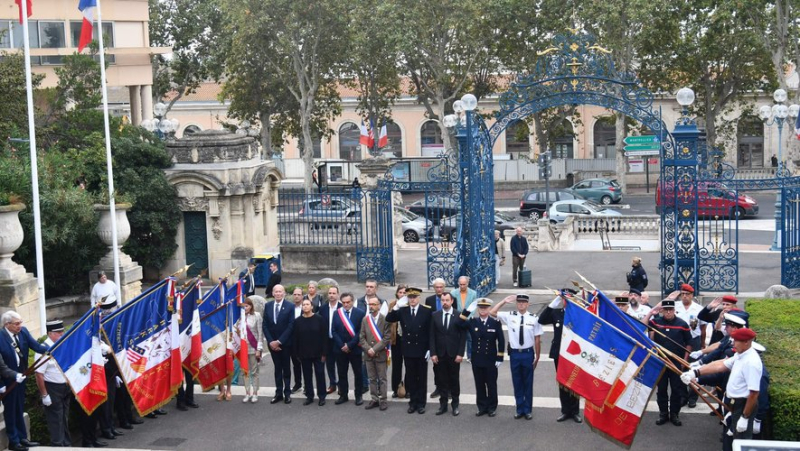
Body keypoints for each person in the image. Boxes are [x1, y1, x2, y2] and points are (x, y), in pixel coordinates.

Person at [681, 327, 762, 451]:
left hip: (742, 405)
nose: (733, 343)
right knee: (729, 439)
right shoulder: (740, 355)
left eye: (736, 341)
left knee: (740, 442)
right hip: (733, 403)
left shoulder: (751, 362)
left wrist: (745, 417)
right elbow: (721, 365)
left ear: (747, 342)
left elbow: (754, 394)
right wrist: (695, 373)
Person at [0, 311, 49, 451]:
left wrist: (52, 349)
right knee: (10, 411)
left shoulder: (24, 332)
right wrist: (1, 385)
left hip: (21, 378)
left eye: (21, 322)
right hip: (8, 381)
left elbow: (37, 347)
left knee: (20, 408)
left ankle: (22, 438)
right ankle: (14, 442)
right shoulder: (0, 337)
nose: (20, 326)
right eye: (16, 323)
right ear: (7, 324)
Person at [489, 294, 543, 420]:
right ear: (516, 304)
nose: (521, 305)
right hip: (515, 354)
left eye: (524, 303)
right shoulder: (510, 316)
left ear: (528, 304)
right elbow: (492, 312)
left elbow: (537, 338)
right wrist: (503, 301)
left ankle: (528, 409)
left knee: (528, 383)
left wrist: (538, 356)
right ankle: (519, 409)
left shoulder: (534, 318)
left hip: (528, 353)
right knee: (517, 382)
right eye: (519, 302)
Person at [643, 299, 692, 426]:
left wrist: (684, 362)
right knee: (662, 389)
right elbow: (645, 330)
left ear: (674, 310)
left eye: (670, 310)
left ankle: (674, 414)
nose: (668, 312)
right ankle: (663, 414)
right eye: (666, 310)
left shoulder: (682, 324)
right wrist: (651, 313)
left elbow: (689, 344)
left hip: (677, 361)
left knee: (676, 389)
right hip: (661, 361)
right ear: (662, 311)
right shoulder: (655, 322)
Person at [386, 287, 433, 414]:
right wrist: (396, 306)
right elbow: (389, 319)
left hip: (422, 349)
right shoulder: (403, 310)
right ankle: (413, 402)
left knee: (422, 378)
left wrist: (430, 349)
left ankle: (421, 403)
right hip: (408, 349)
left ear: (419, 298)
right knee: (411, 377)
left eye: (414, 297)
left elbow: (430, 332)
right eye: (410, 297)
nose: (412, 299)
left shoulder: (426, 311)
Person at [537, 291, 581, 423]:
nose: (566, 301)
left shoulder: (579, 315)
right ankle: (565, 411)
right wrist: (554, 301)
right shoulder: (557, 313)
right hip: (559, 353)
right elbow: (542, 319)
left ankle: (575, 411)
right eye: (564, 298)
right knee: (562, 382)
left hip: (574, 353)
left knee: (573, 382)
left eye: (569, 298)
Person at [457, 298, 504, 417]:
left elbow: (501, 341)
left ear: (489, 309)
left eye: (485, 308)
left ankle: (492, 407)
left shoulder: (495, 323)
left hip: (491, 359)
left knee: (491, 384)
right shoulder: (472, 321)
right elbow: (458, 324)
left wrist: (500, 357)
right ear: (478, 309)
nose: (483, 310)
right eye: (481, 308)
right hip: (477, 358)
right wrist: (467, 311)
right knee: (479, 384)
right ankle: (482, 407)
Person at [34, 320, 70, 447]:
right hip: (52, 388)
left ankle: (66, 444)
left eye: (62, 331)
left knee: (64, 418)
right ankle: (58, 446)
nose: (62, 334)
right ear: (50, 333)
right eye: (58, 332)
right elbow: (39, 374)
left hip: (64, 386)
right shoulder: (43, 349)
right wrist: (44, 395)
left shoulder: (61, 345)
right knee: (56, 420)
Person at [429, 292, 466, 416]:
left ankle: (455, 405)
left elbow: (463, 336)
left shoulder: (458, 315)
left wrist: (460, 353)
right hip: (439, 354)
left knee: (454, 380)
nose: (444, 302)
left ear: (452, 301)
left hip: (454, 354)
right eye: (442, 300)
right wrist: (433, 353)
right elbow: (432, 335)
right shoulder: (435, 315)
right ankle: (443, 405)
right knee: (441, 380)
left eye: (447, 300)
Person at [262, 284, 295, 404]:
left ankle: (287, 393)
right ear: (273, 293)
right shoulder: (268, 305)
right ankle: (278, 393)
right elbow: (265, 325)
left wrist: (279, 341)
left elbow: (291, 325)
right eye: (276, 291)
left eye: (280, 291)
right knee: (277, 369)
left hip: (285, 344)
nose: (278, 293)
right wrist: (271, 341)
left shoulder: (290, 306)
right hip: (272, 344)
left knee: (286, 368)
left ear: (284, 293)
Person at [293, 299, 329, 406]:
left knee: (320, 375)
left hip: (318, 353)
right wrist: (297, 354)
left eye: (307, 304)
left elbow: (324, 337)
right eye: (303, 305)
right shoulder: (297, 321)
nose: (305, 306)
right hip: (304, 353)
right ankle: (309, 396)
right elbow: (295, 338)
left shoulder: (319, 319)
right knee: (307, 376)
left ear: (312, 306)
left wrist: (324, 353)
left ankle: (322, 396)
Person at [332, 292, 365, 406]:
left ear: (352, 301)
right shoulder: (337, 313)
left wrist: (349, 345)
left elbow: (360, 332)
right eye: (344, 302)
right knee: (342, 373)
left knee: (358, 373)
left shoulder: (360, 313)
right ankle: (343, 395)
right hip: (340, 349)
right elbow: (334, 331)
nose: (346, 305)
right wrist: (342, 345)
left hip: (354, 349)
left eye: (348, 302)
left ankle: (358, 395)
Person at [359, 296, 392, 410]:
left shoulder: (385, 319)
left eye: (373, 304)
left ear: (378, 305)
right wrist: (369, 349)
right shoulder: (365, 320)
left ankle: (383, 400)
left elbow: (387, 338)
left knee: (382, 379)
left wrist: (375, 349)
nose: (371, 307)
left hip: (380, 354)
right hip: (368, 354)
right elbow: (361, 337)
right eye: (370, 305)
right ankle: (374, 399)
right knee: (371, 378)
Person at [318, 286, 342, 395]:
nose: (331, 295)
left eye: (334, 293)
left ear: (338, 294)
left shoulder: (342, 307)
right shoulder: (323, 309)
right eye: (330, 293)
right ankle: (333, 384)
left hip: (339, 341)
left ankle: (341, 385)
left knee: (341, 364)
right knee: (330, 364)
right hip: (327, 341)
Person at [241, 298, 264, 403]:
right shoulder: (239, 318)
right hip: (243, 349)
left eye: (247, 306)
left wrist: (259, 349)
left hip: (253, 348)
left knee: (254, 372)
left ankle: (255, 393)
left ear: (251, 306)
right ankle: (247, 393)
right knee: (245, 372)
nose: (245, 308)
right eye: (243, 306)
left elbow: (260, 334)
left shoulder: (257, 316)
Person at [389, 285, 407, 399]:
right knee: (396, 366)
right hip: (396, 339)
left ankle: (407, 388)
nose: (403, 294)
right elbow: (388, 320)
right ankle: (395, 388)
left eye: (405, 292)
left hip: (407, 340)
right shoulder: (392, 305)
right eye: (400, 292)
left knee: (409, 366)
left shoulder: (410, 305)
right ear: (397, 294)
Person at [290, 287, 305, 394]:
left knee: (306, 364)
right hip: (291, 341)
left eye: (298, 294)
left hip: (304, 341)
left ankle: (308, 385)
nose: (296, 296)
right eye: (294, 294)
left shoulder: (306, 307)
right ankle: (298, 383)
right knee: (295, 364)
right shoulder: (289, 308)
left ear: (302, 296)